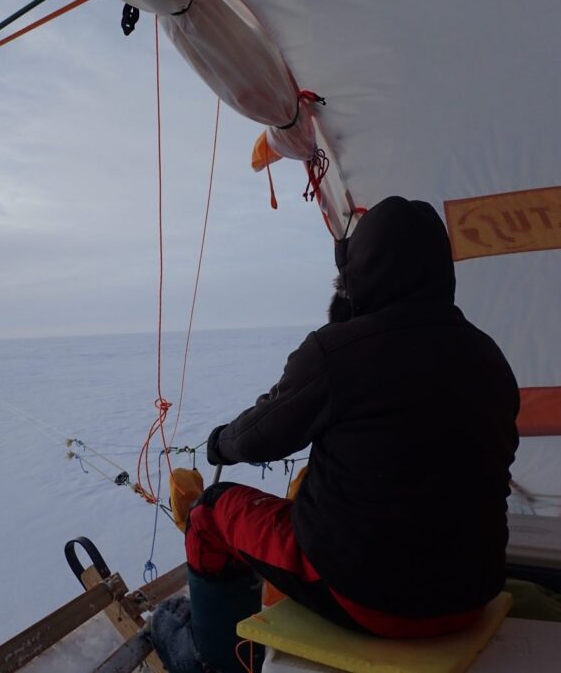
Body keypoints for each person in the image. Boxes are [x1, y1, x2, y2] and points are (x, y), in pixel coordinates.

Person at [148, 196, 520, 673]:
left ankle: (211, 657)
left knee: (210, 511)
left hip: (370, 597)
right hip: (472, 593)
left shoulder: (338, 352)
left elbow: (260, 436)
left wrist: (220, 442)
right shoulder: (488, 356)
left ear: (362, 273)